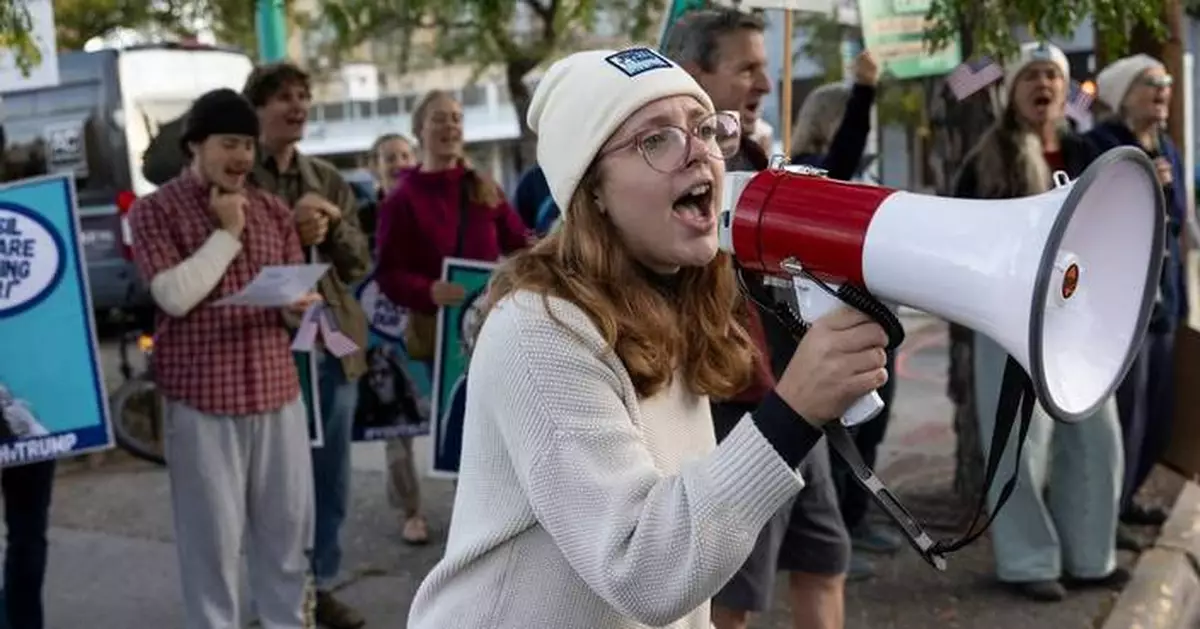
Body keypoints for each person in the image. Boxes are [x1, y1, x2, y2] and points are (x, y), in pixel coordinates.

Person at [406, 45, 890, 629]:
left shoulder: (675, 300)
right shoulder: (538, 329)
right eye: (655, 139)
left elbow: (680, 588)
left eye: (704, 129)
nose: (699, 152)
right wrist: (792, 413)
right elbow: (641, 569)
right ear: (592, 191)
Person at [663, 9, 851, 628]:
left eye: (764, 69)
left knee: (823, 560)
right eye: (747, 69)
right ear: (694, 73)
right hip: (728, 405)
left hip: (795, 391)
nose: (765, 85)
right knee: (729, 595)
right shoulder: (670, 172)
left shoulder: (758, 156)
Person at [127, 88, 319, 629]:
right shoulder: (154, 212)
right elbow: (173, 295)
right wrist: (228, 233)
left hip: (277, 395)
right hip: (201, 402)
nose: (241, 157)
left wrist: (300, 310)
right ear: (195, 145)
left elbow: (296, 317)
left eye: (248, 146)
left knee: (286, 539)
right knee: (211, 548)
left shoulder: (274, 211)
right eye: (228, 143)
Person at [953, 42, 1128, 602]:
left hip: (1080, 319)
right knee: (1019, 445)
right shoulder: (986, 156)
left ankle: (1090, 557)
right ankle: (1028, 561)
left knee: (1097, 438)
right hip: (1006, 315)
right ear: (1013, 90)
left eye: (1052, 74)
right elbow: (962, 237)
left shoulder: (1087, 152)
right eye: (1031, 75)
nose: (1043, 84)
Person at [243, 62, 372, 629]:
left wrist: (332, 223)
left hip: (331, 343)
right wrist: (288, 232)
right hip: (266, 349)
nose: (296, 106)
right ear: (256, 110)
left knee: (329, 476)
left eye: (302, 96)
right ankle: (276, 598)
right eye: (282, 98)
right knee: (271, 484)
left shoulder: (327, 178)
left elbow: (358, 263)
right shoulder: (240, 179)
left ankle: (321, 587)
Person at [374, 89, 529, 543]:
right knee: (458, 428)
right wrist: (426, 290)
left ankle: (495, 521)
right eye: (439, 118)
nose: (450, 126)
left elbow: (521, 244)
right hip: (438, 334)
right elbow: (388, 272)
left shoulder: (484, 186)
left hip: (490, 327)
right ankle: (467, 530)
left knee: (495, 429)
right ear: (419, 129)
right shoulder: (402, 198)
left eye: (457, 118)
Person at [790, 50, 899, 581]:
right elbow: (844, 154)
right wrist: (864, 90)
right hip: (834, 321)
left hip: (870, 315)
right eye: (854, 118)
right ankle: (840, 533)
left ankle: (856, 519)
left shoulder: (854, 174)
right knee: (842, 437)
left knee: (870, 427)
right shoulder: (811, 173)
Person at [1088, 54, 1186, 534]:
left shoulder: (1168, 147)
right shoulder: (1101, 144)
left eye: (1166, 81)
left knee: (1159, 415)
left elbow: (1179, 220)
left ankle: (1127, 499)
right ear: (1124, 95)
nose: (1163, 89)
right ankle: (1106, 516)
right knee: (1126, 414)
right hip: (1122, 307)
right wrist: (1145, 182)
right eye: (1151, 83)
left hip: (1165, 300)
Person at [361, 133, 418, 247]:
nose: (400, 164)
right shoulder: (364, 218)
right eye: (390, 159)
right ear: (375, 167)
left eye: (405, 156)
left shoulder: (434, 209)